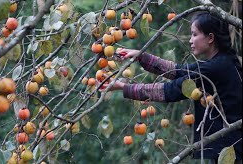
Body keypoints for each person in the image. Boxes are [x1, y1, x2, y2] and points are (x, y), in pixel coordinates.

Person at [101, 12, 242, 163]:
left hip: (232, 151)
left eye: (194, 35)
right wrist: (141, 56)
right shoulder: (222, 62)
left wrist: (124, 87)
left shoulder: (215, 68)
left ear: (210, 38)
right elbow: (180, 71)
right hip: (230, 147)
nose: (190, 40)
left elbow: (170, 90)